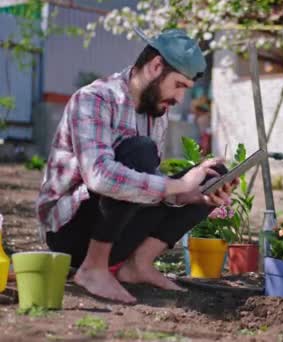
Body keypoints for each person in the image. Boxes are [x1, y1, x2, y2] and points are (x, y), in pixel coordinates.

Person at [36, 29, 236, 304]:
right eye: (179, 85)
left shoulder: (157, 112)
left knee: (211, 176)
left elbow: (144, 184)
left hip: (115, 229)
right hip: (69, 234)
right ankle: (93, 269)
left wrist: (187, 195)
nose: (180, 99)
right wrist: (177, 185)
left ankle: (137, 265)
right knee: (140, 150)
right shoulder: (95, 99)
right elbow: (99, 177)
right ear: (156, 67)